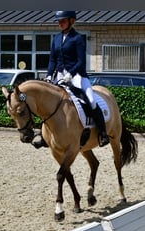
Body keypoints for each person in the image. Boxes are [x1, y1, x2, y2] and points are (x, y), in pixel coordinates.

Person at [44, 11, 109, 147]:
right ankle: (44, 134)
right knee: (48, 101)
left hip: (77, 76)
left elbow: (81, 62)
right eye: (59, 21)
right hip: (59, 75)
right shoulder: (56, 38)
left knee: (91, 101)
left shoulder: (78, 38)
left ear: (71, 21)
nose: (60, 23)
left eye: (63, 21)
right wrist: (49, 75)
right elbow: (52, 60)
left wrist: (71, 74)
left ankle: (103, 134)